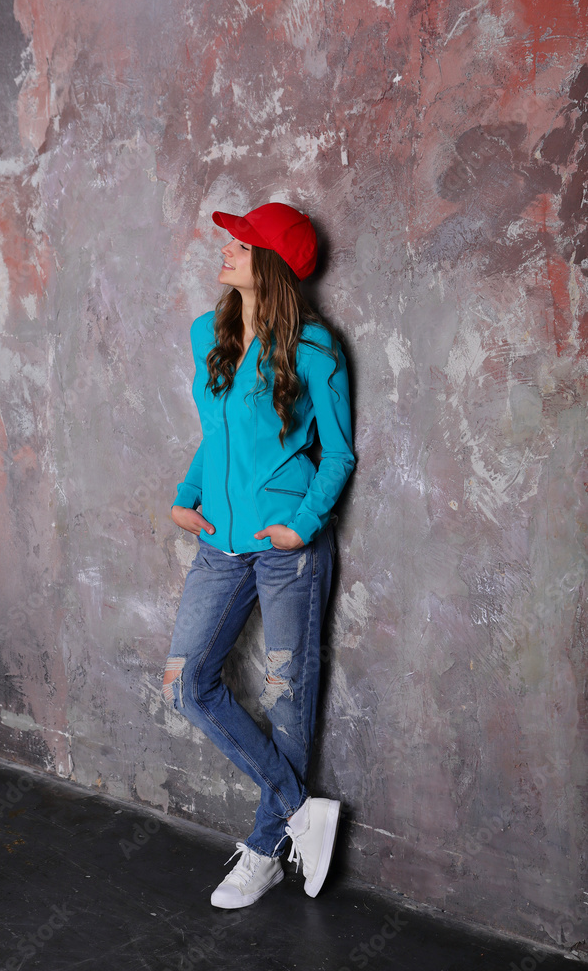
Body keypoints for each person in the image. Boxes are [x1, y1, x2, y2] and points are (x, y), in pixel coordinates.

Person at [164, 202, 355, 909]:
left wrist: (300, 527)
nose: (226, 247)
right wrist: (187, 495)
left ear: (269, 263)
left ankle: (264, 848)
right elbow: (215, 435)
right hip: (219, 544)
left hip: (285, 552)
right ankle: (300, 808)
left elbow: (336, 453)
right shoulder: (204, 333)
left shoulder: (313, 349)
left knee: (287, 701)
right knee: (187, 684)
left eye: (240, 243)